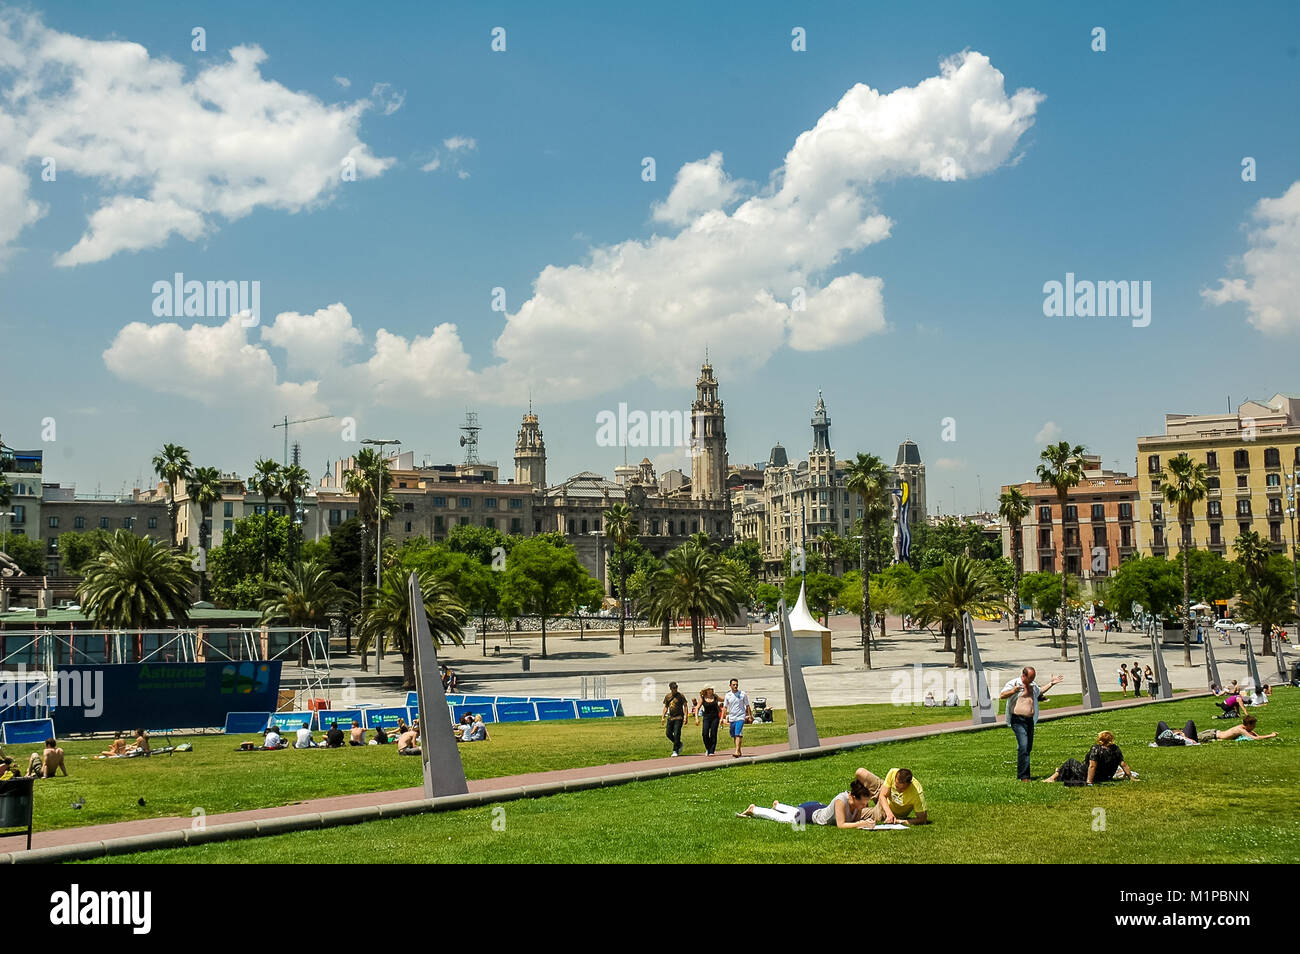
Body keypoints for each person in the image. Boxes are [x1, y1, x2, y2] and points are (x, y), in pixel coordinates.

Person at [737, 777, 876, 829]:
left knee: (795, 811)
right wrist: (861, 823)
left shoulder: (858, 804)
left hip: (819, 807)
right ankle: (754, 809)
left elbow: (855, 822)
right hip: (811, 814)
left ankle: (778, 806)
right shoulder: (842, 800)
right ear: (853, 797)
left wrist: (865, 823)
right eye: (863, 803)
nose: (865, 806)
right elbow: (841, 825)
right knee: (786, 819)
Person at [1000, 667, 1064, 780]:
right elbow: (1002, 695)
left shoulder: (1033, 686)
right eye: (1030, 678)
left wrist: (1051, 684)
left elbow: (1040, 691)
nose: (1031, 680)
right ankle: (1024, 777)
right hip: (1018, 720)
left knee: (1027, 747)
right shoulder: (1014, 683)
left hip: (1029, 720)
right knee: (1023, 746)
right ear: (1023, 675)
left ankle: (1023, 773)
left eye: (1033, 678)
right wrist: (1013, 691)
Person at [1041, 731, 1137, 784]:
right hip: (1105, 777)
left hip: (1090, 775)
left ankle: (1053, 777)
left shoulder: (1096, 749)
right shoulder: (1115, 749)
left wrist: (1089, 781)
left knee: (1070, 762)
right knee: (1069, 770)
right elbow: (1123, 764)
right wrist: (1131, 777)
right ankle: (1059, 771)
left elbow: (1092, 766)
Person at [856, 767, 929, 825]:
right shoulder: (893, 772)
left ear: (909, 784)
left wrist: (899, 821)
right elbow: (882, 795)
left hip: (884, 811)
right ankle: (862, 802)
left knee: (853, 813)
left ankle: (860, 808)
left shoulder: (917, 793)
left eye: (902, 789)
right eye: (896, 786)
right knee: (860, 772)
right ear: (895, 778)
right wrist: (889, 813)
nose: (899, 790)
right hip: (884, 792)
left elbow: (922, 819)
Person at [723, 678, 752, 759]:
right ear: (730, 685)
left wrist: (749, 716)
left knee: (738, 733)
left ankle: (736, 751)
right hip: (732, 717)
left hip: (740, 716)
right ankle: (739, 750)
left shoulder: (742, 694)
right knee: (734, 734)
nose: (735, 686)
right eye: (734, 685)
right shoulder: (728, 695)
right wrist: (722, 718)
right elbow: (725, 707)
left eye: (736, 685)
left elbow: (747, 705)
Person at [1198, 714, 1277, 742]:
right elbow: (1255, 738)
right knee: (1190, 738)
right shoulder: (1240, 730)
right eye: (1253, 725)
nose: (1254, 727)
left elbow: (1256, 735)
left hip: (1214, 733)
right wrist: (1271, 735)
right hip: (1211, 735)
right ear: (1248, 725)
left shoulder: (1243, 727)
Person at [661, 681, 688, 756]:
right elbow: (666, 707)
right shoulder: (668, 697)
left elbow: (685, 706)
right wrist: (663, 716)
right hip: (670, 717)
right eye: (674, 688)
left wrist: (686, 717)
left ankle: (675, 750)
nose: (675, 689)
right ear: (670, 688)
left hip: (679, 717)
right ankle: (679, 743)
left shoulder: (681, 696)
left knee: (677, 733)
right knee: (668, 733)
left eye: (676, 687)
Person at [696, 686, 721, 756]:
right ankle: (708, 747)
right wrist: (696, 718)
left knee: (713, 733)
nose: (712, 690)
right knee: (705, 733)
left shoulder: (715, 697)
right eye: (711, 689)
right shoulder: (703, 698)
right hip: (706, 717)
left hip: (715, 717)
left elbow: (722, 699)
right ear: (707, 690)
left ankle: (711, 751)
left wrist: (730, 696)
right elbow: (697, 708)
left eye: (713, 689)